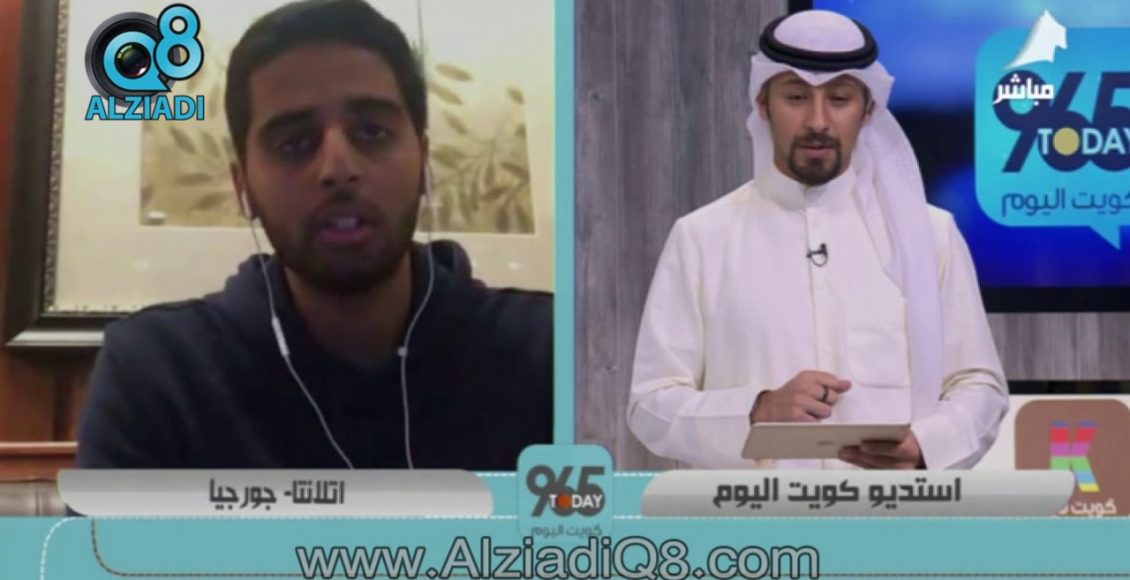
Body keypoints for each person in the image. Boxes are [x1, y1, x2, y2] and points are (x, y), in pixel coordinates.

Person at [76, 0, 552, 470]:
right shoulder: (158, 374)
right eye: (294, 143)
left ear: (424, 160)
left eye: (372, 132)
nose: (338, 168)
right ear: (244, 188)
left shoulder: (553, 353)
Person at [627, 10, 1008, 470]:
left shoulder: (931, 235)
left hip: (888, 511)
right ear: (763, 104)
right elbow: (651, 404)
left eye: (840, 99)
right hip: (758, 515)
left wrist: (924, 446)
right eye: (795, 97)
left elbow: (980, 385)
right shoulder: (702, 238)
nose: (818, 121)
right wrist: (755, 411)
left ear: (868, 110)